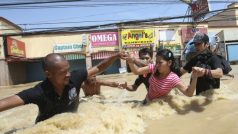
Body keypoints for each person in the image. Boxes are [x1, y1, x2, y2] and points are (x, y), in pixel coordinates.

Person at [0, 52, 127, 123]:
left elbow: (98, 68)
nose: (68, 74)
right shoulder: (38, 92)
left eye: (68, 70)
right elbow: (6, 103)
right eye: (63, 72)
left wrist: (115, 56)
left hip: (73, 123)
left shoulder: (76, 77)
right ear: (48, 74)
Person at [124, 49, 200, 104]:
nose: (157, 65)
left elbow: (189, 93)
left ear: (169, 63)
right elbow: (136, 72)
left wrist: (195, 77)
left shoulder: (173, 78)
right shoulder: (153, 68)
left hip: (161, 105)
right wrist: (130, 62)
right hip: (147, 101)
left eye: (160, 63)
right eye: (156, 62)